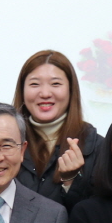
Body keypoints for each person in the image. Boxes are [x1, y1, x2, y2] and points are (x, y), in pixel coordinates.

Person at [12, 50, 101, 206]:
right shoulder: (8, 144)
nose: (45, 93)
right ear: (22, 90)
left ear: (71, 90)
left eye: (56, 84)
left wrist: (71, 182)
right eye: (34, 84)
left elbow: (100, 212)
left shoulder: (97, 146)